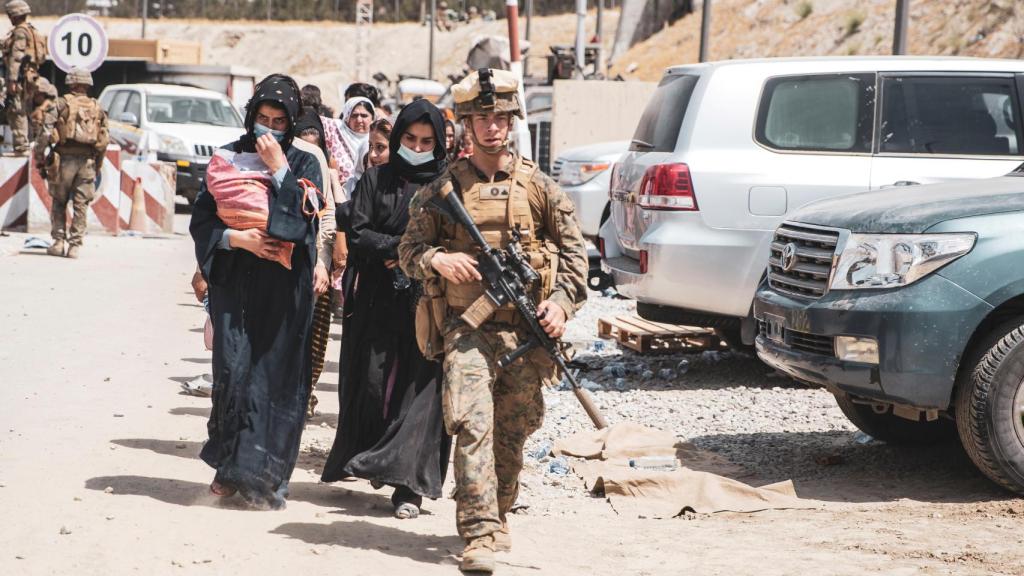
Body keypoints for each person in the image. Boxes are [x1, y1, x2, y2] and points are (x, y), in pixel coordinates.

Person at [398, 69, 588, 573]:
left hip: (527, 331)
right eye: (482, 117)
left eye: (500, 117)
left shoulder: (539, 187)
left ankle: (498, 513)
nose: (491, 127)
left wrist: (561, 304)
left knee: (514, 427)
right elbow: (408, 249)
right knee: (472, 422)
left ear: (512, 121)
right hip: (468, 326)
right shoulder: (443, 189)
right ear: (465, 123)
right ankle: (478, 533)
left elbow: (576, 257)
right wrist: (437, 260)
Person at [189, 74, 323, 510]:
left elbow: (305, 224)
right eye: (262, 118)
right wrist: (237, 239)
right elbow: (203, 220)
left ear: (291, 122)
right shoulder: (229, 157)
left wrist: (280, 171)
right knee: (231, 371)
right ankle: (227, 469)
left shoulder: (304, 162)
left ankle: (267, 479)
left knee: (274, 380)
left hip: (285, 291)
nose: (269, 128)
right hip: (236, 284)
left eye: (279, 120)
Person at [322, 99, 451, 520]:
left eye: (426, 140)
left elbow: (458, 241)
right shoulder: (377, 180)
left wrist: (418, 257)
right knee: (373, 386)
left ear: (438, 142)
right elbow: (357, 231)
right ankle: (373, 459)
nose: (417, 146)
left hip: (427, 303)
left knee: (420, 392)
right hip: (377, 300)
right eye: (410, 139)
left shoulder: (447, 186)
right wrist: (397, 249)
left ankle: (408, 485)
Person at [294, 106, 343, 418]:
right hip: (284, 269)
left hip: (316, 270)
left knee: (314, 340)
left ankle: (305, 393)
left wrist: (323, 262)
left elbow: (328, 217)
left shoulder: (322, 172)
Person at [33, 68, 108, 259]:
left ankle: (58, 242)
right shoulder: (97, 107)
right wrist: (98, 164)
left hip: (63, 160)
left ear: (71, 83)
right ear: (87, 84)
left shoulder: (61, 104)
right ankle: (74, 246)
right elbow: (104, 139)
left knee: (59, 201)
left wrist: (40, 155)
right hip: (88, 162)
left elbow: (45, 132)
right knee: (81, 204)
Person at [3, 0, 46, 155]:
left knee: (16, 110)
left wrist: (12, 80)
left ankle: (21, 146)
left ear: (14, 15)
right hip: (31, 76)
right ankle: (26, 144)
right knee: (24, 109)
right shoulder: (31, 30)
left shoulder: (20, 32)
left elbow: (16, 57)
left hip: (21, 77)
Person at [323, 97, 374, 197]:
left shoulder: (378, 140)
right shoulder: (336, 130)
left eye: (364, 115)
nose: (359, 120)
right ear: (347, 117)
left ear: (372, 118)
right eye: (354, 115)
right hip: (340, 197)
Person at [28, 75, 55, 140]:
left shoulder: (49, 102)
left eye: (39, 94)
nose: (36, 96)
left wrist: (41, 109)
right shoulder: (29, 101)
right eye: (36, 94)